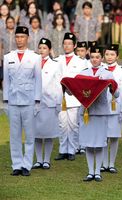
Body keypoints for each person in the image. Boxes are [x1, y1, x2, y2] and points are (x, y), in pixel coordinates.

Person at [3, 26, 42, 176]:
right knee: (15, 136)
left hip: (29, 100)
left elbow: (38, 80)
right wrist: (5, 101)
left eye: (22, 37)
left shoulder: (35, 57)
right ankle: (16, 165)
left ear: (28, 38)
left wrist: (37, 101)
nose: (19, 40)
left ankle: (27, 165)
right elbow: (6, 81)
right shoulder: (8, 57)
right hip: (13, 100)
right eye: (17, 37)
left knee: (30, 135)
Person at [78, 46, 119, 182]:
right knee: (89, 143)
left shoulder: (107, 73)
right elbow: (75, 90)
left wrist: (112, 86)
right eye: (92, 57)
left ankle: (98, 172)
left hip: (101, 111)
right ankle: (90, 172)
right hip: (87, 112)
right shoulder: (83, 72)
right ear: (89, 57)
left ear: (101, 58)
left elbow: (117, 93)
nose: (95, 60)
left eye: (97, 57)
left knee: (100, 142)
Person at [54, 32, 85, 161]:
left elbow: (81, 80)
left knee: (73, 124)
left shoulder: (80, 62)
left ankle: (72, 149)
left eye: (69, 44)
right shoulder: (57, 60)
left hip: (74, 96)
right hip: (60, 96)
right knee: (62, 124)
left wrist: (72, 89)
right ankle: (62, 150)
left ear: (74, 45)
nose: (67, 46)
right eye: (65, 44)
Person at [32, 38, 62, 170]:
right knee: (36, 133)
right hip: (35, 102)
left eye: (45, 48)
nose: (42, 50)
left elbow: (59, 85)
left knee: (49, 134)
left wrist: (58, 103)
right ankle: (38, 160)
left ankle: (46, 160)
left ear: (49, 50)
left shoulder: (55, 64)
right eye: (40, 48)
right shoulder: (33, 63)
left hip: (50, 102)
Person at [100, 44, 122, 173]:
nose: (109, 57)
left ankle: (111, 163)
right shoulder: (100, 70)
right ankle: (104, 163)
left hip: (116, 107)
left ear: (117, 56)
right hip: (102, 108)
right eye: (107, 54)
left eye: (112, 54)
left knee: (114, 137)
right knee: (103, 136)